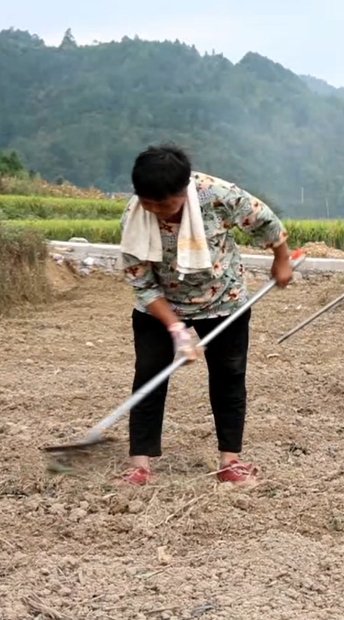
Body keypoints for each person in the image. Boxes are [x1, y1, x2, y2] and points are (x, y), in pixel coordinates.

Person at [115, 145, 293, 488]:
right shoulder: (134, 215)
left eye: (163, 205)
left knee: (228, 374)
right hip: (161, 304)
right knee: (150, 375)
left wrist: (281, 259)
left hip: (223, 300)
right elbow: (141, 282)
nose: (155, 212)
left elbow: (266, 223)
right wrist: (177, 330)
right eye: (147, 203)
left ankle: (230, 461)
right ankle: (139, 463)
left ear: (183, 192)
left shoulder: (217, 196)